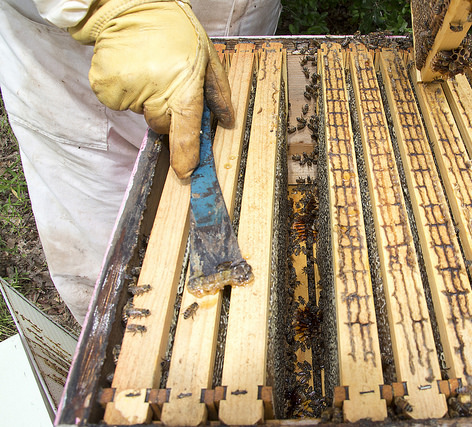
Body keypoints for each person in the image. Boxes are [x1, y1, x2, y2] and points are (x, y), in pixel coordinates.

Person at [0, 0, 282, 323]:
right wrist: (115, 8)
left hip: (228, 23)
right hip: (74, 59)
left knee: (249, 197)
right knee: (115, 278)